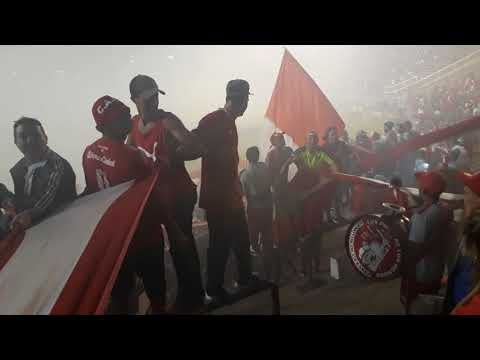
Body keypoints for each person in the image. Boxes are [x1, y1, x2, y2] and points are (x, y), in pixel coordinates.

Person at [82, 95, 172, 314]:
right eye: (121, 118)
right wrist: (175, 230)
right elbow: (154, 198)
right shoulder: (132, 156)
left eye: (126, 114)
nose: (129, 119)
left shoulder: (89, 152)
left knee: (121, 295)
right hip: (144, 236)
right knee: (157, 293)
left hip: (114, 240)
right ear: (101, 126)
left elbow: (92, 191)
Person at [126, 75, 205, 312]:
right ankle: (185, 296)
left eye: (156, 97)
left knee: (182, 246)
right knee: (173, 247)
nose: (154, 103)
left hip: (179, 194)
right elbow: (129, 151)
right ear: (134, 99)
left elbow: (197, 147)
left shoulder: (167, 121)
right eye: (148, 99)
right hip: (157, 198)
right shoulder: (133, 124)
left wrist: (172, 157)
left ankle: (192, 298)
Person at [192, 79, 260, 304]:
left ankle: (245, 278)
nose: (246, 106)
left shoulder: (229, 122)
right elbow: (193, 140)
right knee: (220, 244)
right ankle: (214, 288)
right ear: (239, 100)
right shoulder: (214, 120)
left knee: (241, 238)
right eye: (246, 101)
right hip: (218, 199)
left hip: (230, 196)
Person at [0, 117, 76, 235]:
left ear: (45, 138)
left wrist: (24, 214)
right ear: (16, 142)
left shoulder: (57, 165)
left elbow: (42, 206)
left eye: (35, 135)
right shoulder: (19, 169)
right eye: (23, 137)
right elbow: (22, 202)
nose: (29, 140)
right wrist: (7, 202)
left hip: (60, 229)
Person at [282, 131, 337, 277]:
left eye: (314, 140)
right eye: (309, 140)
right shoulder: (300, 155)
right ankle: (306, 268)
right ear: (305, 141)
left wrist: (327, 179)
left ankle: (315, 266)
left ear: (316, 142)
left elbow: (333, 169)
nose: (311, 142)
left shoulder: (320, 156)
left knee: (315, 234)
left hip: (313, 201)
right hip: (302, 201)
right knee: (304, 235)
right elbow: (286, 167)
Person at [400, 171, 453, 314]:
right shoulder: (445, 209)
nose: (417, 186)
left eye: (420, 184)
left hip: (421, 273)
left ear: (424, 190)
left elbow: (415, 249)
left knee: (418, 306)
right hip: (437, 269)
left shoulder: (422, 216)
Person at [446, 171, 480, 315]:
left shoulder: (477, 228)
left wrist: (460, 307)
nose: (464, 198)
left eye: (467, 193)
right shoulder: (470, 224)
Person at [265, 132, 296, 282]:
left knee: (291, 216)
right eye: (279, 139)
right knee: (282, 220)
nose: (282, 141)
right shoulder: (271, 156)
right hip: (278, 189)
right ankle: (284, 247)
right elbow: (270, 175)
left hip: (288, 188)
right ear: (274, 142)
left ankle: (290, 245)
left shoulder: (288, 151)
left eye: (282, 139)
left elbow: (295, 160)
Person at [239, 146, 274, 281]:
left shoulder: (245, 174)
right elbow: (270, 182)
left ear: (248, 158)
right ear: (258, 156)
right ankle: (269, 272)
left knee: (254, 242)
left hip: (254, 209)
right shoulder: (265, 167)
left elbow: (244, 194)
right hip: (267, 206)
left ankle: (259, 272)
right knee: (268, 240)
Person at [322, 126, 352, 222]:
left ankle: (338, 215)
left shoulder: (341, 144)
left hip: (341, 173)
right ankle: (329, 217)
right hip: (329, 174)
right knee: (329, 196)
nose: (335, 136)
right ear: (328, 135)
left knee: (338, 195)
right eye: (332, 134)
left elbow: (350, 153)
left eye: (336, 134)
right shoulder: (324, 147)